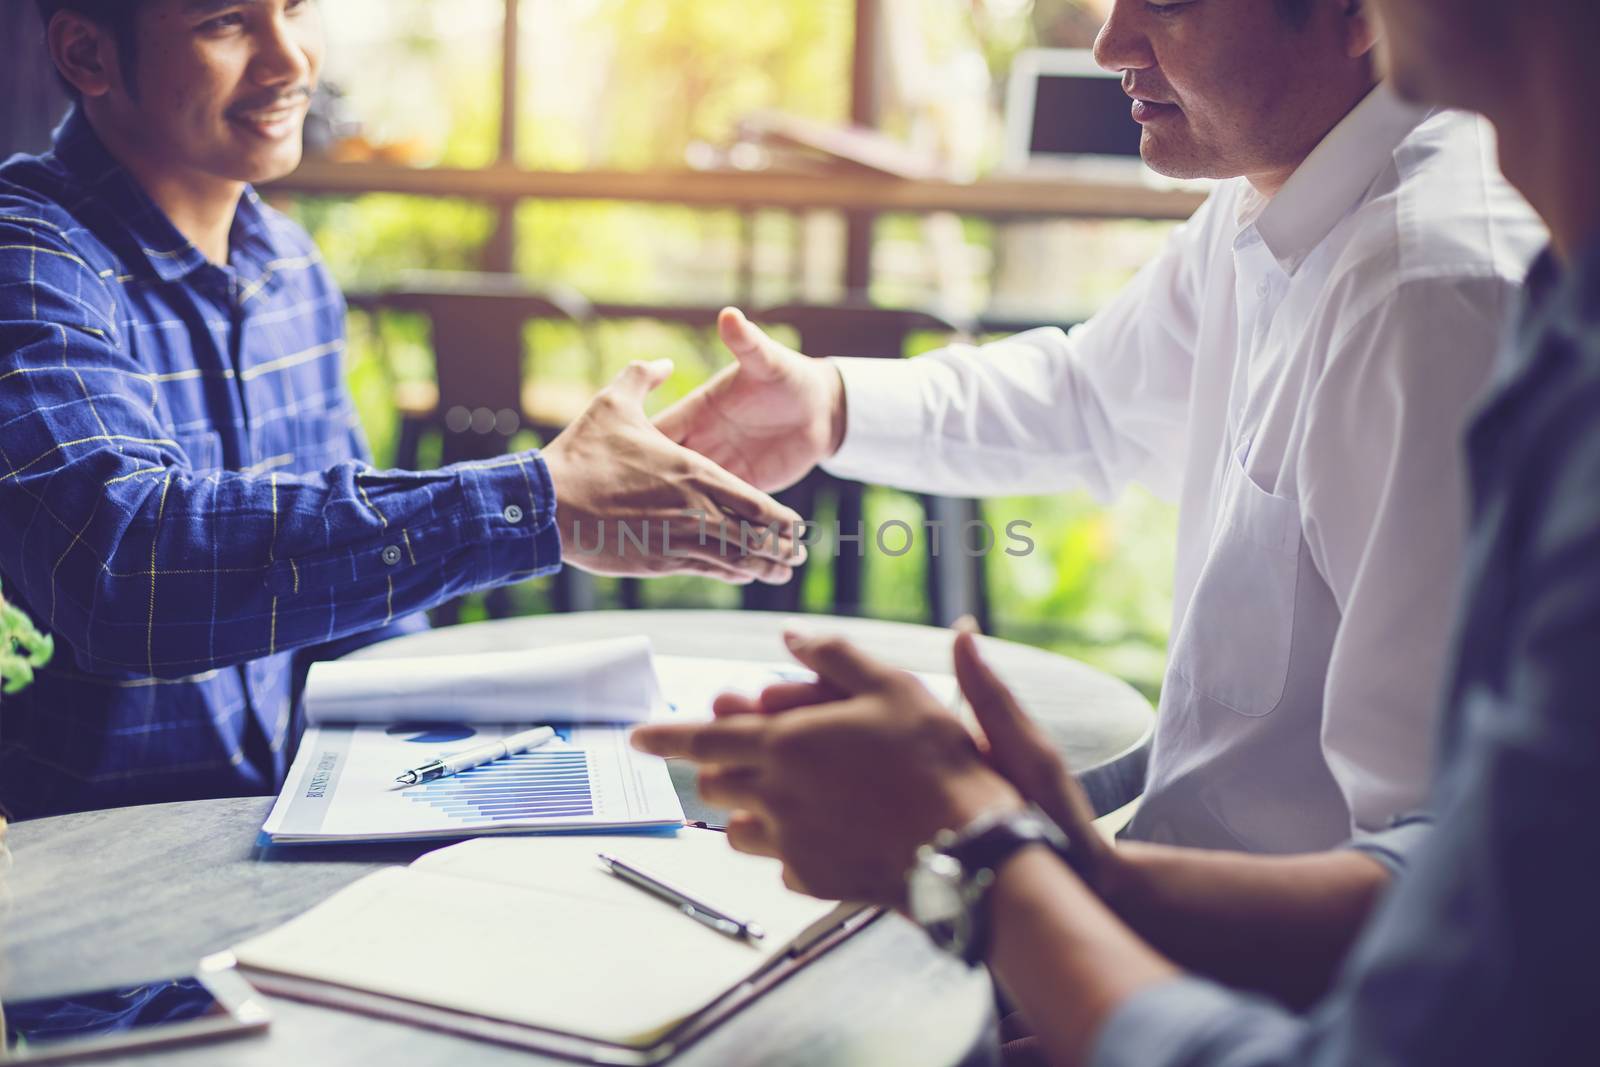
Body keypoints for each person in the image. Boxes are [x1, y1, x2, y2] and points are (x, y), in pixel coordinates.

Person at [636, 0, 1600, 1063]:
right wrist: (828, 405)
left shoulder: (1432, 294)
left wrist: (990, 863)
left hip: (1237, 999)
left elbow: (1435, 907)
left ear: (1354, 17)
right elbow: (1093, 394)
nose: (1107, 44)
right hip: (1135, 923)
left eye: (1170, 4)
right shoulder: (1275, 200)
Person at [0, 0, 801, 820]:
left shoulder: (289, 267)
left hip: (265, 832)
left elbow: (354, 621)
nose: (290, 61)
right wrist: (540, 501)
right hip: (78, 868)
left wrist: (467, 750)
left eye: (297, 9)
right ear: (87, 53)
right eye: (228, 22)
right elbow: (117, 564)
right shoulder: (27, 257)